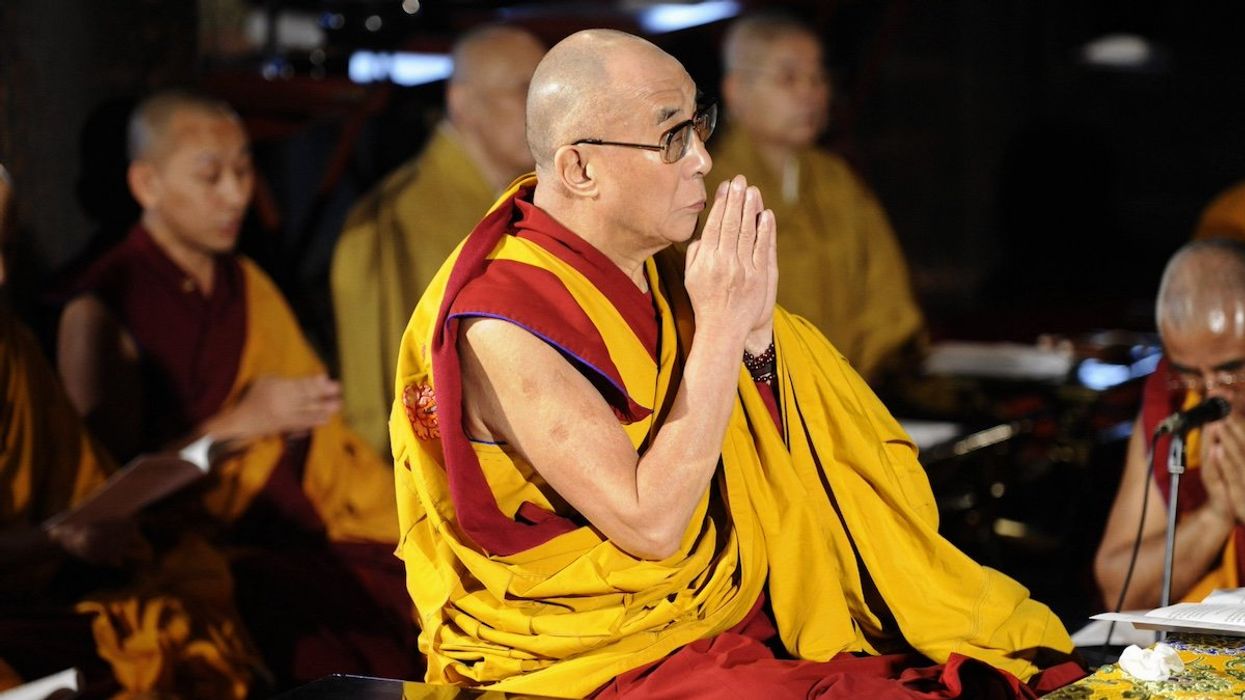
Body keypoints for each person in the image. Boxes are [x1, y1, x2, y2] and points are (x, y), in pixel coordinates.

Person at [391, 29, 1081, 698]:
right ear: (578, 167)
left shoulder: (656, 278)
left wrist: (755, 341)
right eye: (671, 138)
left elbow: (769, 450)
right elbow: (650, 525)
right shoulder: (503, 323)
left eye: (699, 127)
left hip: (720, 610)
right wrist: (722, 326)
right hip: (601, 652)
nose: (701, 161)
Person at [57, 90, 418, 691]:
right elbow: (101, 500)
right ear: (146, 185)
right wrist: (243, 422)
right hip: (185, 558)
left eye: (245, 169)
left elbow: (327, 446)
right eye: (210, 176)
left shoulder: (245, 282)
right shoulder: (102, 308)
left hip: (284, 531)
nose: (236, 194)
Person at [0, 164, 259, 698]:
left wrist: (94, 525)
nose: (3, 276)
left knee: (191, 606)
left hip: (40, 593)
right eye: (210, 174)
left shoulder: (11, 344)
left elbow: (78, 477)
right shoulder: (91, 306)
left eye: (7, 250)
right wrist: (56, 541)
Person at [331, 25, 545, 453]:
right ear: (463, 103)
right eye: (523, 91)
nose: (544, 113)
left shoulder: (526, 199)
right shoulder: (395, 222)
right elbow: (389, 401)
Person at [708, 13, 924, 384]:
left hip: (850, 397)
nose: (811, 93)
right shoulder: (706, 187)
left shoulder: (838, 181)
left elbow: (887, 305)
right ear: (736, 89)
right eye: (789, 78)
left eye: (818, 78)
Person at [1096, 240, 1245, 610]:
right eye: (1190, 373)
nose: (1211, 392)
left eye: (1231, 370)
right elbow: (1120, 588)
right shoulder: (1175, 401)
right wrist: (1216, 514)